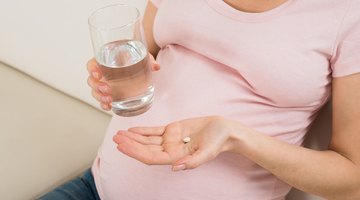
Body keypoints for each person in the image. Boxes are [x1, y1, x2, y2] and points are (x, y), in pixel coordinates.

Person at [40, 0, 360, 199]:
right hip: (95, 189)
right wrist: (107, 81)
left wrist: (235, 137)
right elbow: (140, 56)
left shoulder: (347, 14)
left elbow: (352, 181)